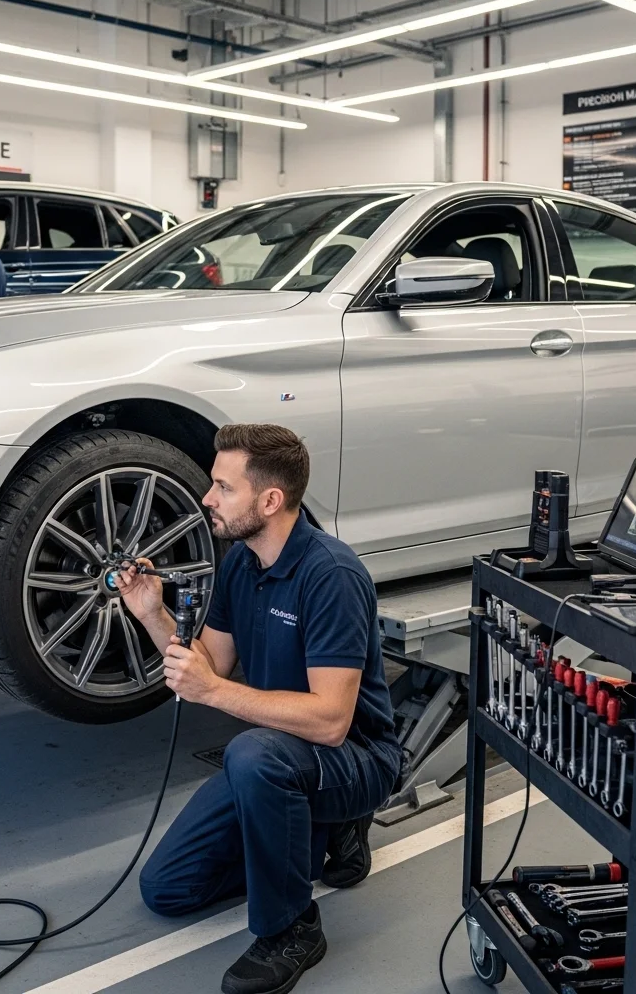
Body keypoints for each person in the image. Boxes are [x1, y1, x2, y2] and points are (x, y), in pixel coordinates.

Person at [116, 424, 401, 994]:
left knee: (251, 755)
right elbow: (211, 663)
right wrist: (150, 613)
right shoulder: (241, 564)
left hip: (356, 756)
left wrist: (215, 694)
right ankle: (322, 832)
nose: (206, 498)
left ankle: (292, 928)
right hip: (282, 754)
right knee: (168, 889)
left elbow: (331, 720)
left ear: (270, 501)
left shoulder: (331, 576)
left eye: (223, 487)